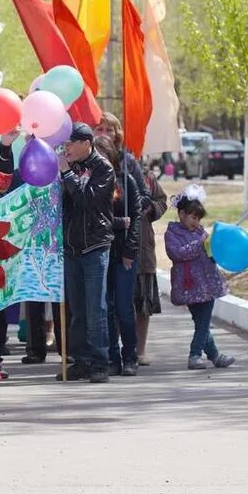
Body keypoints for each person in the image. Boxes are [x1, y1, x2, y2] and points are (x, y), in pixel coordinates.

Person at [57, 123, 116, 384]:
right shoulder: (69, 168)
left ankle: (100, 362)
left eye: (70, 143)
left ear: (85, 143)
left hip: (94, 246)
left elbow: (88, 201)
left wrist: (67, 174)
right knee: (77, 310)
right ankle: (79, 361)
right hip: (71, 248)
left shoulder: (103, 168)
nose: (66, 148)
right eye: (65, 144)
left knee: (96, 309)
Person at [164, 185, 236, 370]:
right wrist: (200, 245)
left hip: (207, 285)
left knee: (203, 323)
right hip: (190, 286)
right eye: (193, 217)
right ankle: (197, 355)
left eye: (198, 218)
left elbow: (210, 254)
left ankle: (209, 356)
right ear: (181, 214)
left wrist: (216, 246)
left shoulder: (201, 233)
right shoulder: (172, 233)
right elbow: (177, 253)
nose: (196, 222)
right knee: (202, 323)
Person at [94, 136, 142, 376]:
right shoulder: (92, 181)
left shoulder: (126, 181)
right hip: (101, 251)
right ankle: (113, 355)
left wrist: (130, 250)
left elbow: (136, 218)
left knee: (124, 306)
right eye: (96, 153)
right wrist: (116, 223)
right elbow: (94, 219)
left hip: (123, 253)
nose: (100, 157)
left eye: (104, 153)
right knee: (107, 307)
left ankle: (130, 355)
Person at [136, 169, 168, 365]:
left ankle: (140, 350)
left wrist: (151, 208)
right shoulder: (101, 170)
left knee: (143, 304)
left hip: (142, 250)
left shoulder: (146, 175)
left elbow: (162, 201)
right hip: (114, 246)